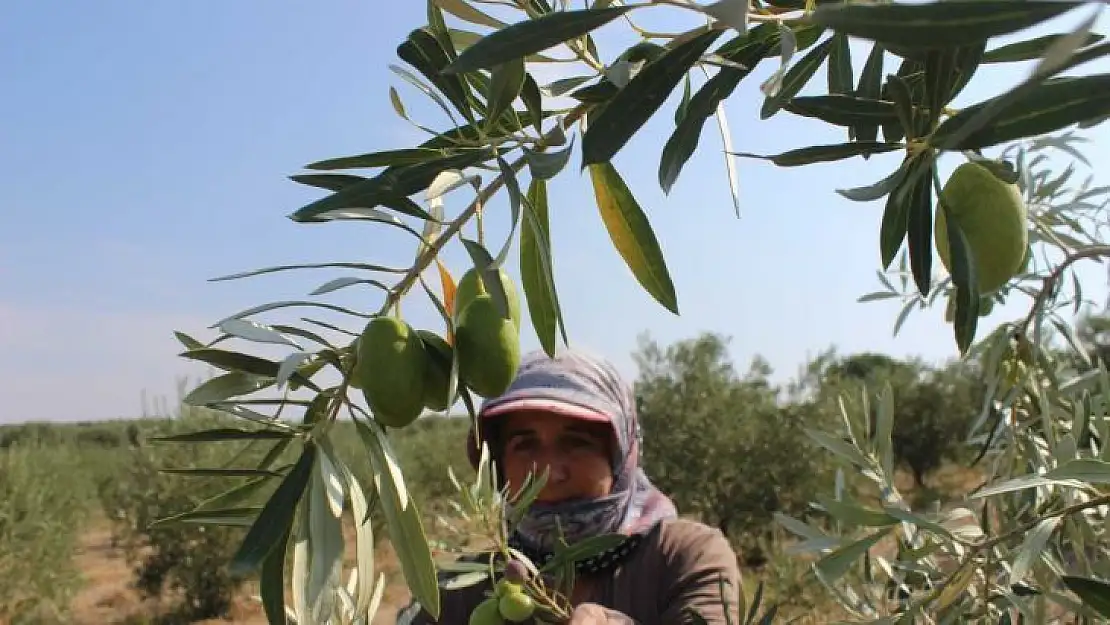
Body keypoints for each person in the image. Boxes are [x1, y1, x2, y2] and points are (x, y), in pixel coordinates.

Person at [397, 348, 743, 624]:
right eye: (525, 444)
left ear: (622, 456)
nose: (549, 472)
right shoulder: (460, 591)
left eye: (577, 442)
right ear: (497, 465)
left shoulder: (684, 557)